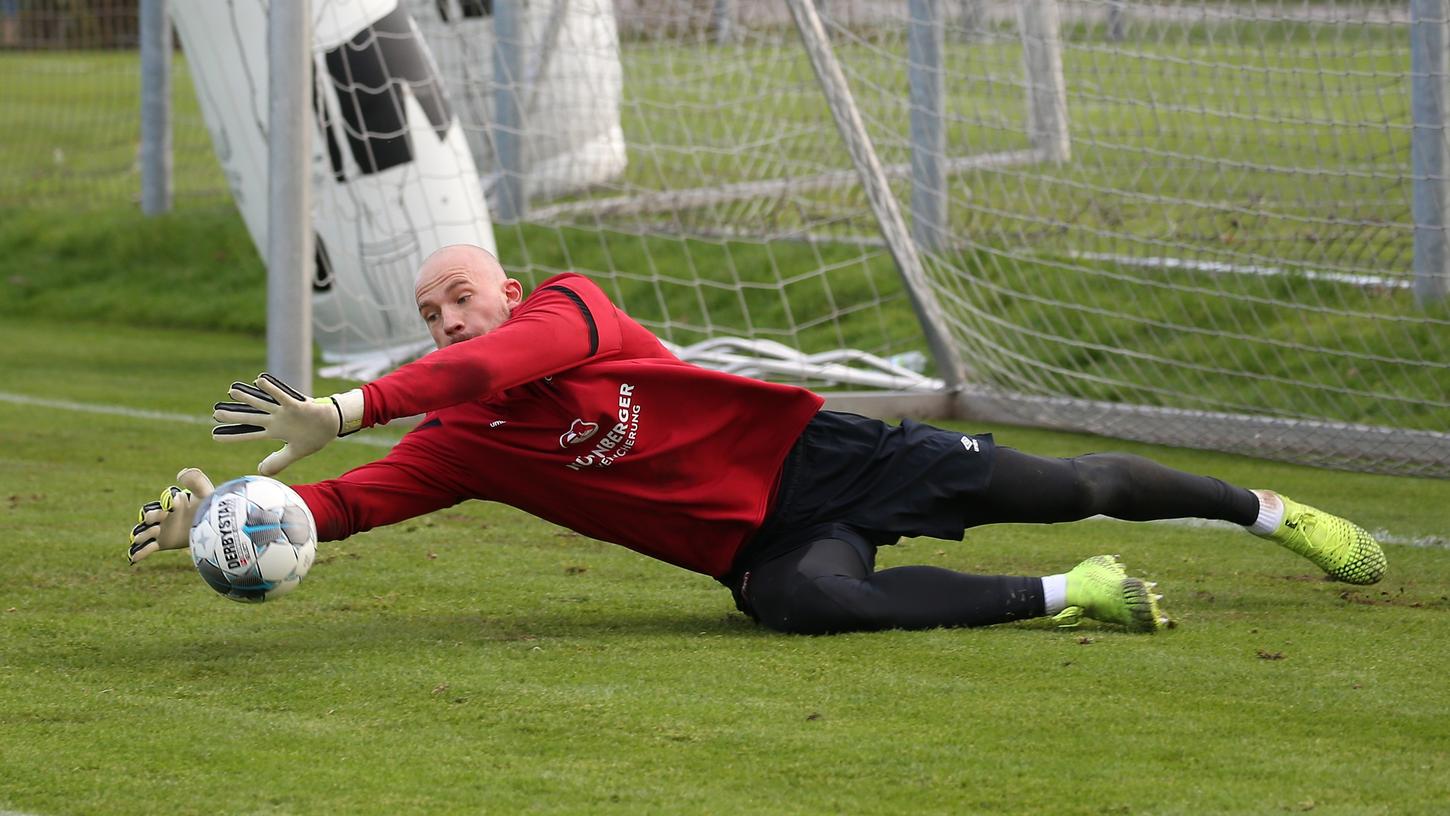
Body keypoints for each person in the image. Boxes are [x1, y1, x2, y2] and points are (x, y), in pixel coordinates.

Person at [128, 245, 1387, 635]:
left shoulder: (569, 315)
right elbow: (344, 510)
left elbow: (491, 364)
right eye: (426, 312)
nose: (449, 317)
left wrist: (349, 405)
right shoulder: (463, 443)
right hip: (756, 541)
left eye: (459, 296)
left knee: (1072, 479)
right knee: (798, 608)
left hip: (832, 457)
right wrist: (225, 518)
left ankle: (1275, 516)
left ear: (505, 291)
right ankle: (1073, 594)